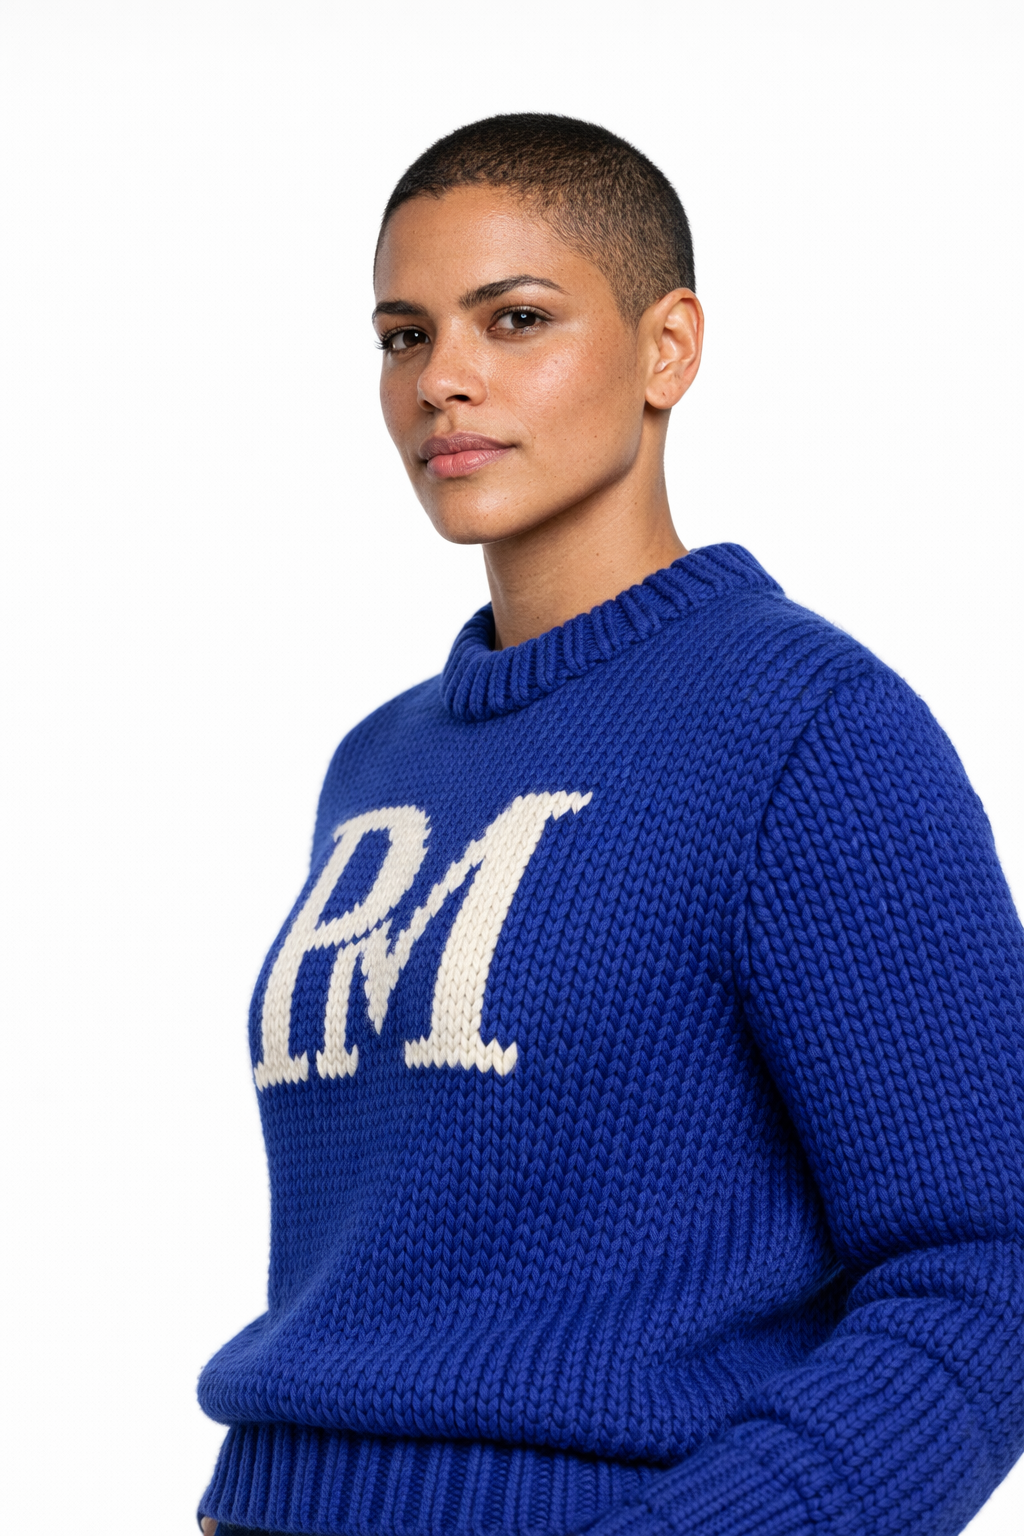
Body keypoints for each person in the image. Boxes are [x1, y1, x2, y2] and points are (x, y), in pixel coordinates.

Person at [196, 115, 1024, 1536]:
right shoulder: (379, 762)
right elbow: (382, 1259)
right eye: (404, 336)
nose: (442, 381)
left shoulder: (805, 726)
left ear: (667, 349)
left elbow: (989, 1268)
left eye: (514, 320)